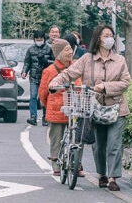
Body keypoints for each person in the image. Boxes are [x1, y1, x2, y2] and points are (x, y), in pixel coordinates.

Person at [49, 25, 131, 192]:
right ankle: (102, 174)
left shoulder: (120, 60)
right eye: (105, 35)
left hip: (116, 108)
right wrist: (55, 81)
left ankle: (113, 177)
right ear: (98, 39)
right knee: (98, 145)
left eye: (111, 35)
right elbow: (69, 73)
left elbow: (125, 82)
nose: (109, 38)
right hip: (93, 107)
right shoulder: (87, 59)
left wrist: (105, 86)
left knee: (114, 144)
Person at [38, 38, 84, 178]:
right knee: (56, 138)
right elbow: (43, 93)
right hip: (57, 110)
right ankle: (56, 164)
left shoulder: (76, 67)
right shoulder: (49, 71)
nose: (70, 52)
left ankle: (76, 164)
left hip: (75, 108)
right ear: (58, 54)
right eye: (67, 49)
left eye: (71, 49)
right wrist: (50, 107)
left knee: (78, 137)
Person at [22, 30, 53, 126]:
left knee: (45, 97)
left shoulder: (49, 49)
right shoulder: (31, 49)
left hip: (45, 76)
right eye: (37, 39)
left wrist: (46, 61)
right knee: (33, 96)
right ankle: (33, 117)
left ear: (44, 39)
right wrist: (24, 72)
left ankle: (45, 117)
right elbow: (27, 62)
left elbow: (54, 62)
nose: (39, 41)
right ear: (34, 40)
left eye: (41, 39)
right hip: (34, 76)